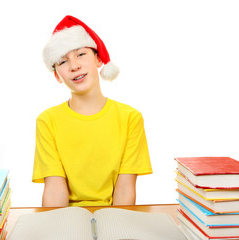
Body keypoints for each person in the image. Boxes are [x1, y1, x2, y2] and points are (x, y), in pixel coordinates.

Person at [32, 15, 152, 207]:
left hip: (114, 218)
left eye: (81, 54)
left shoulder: (130, 117)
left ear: (98, 59)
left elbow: (125, 189)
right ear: (57, 75)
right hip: (68, 221)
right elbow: (54, 189)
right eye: (63, 62)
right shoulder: (47, 120)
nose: (74, 66)